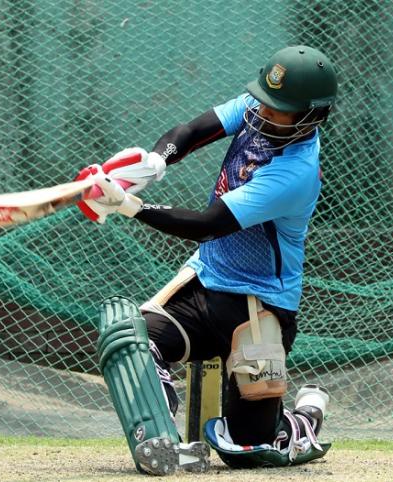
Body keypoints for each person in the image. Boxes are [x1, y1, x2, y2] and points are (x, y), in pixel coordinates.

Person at [84, 45, 337, 475]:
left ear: (310, 117)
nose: (262, 112)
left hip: (258, 309)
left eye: (278, 109)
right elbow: (193, 130)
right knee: (130, 343)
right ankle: (163, 440)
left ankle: (302, 417)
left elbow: (209, 224)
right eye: (263, 100)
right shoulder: (260, 108)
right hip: (205, 282)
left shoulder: (294, 172)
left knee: (250, 450)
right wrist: (155, 160)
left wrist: (129, 204)